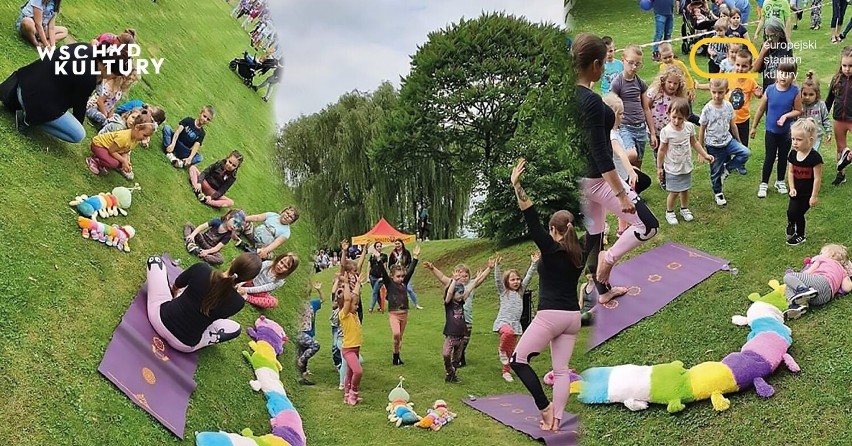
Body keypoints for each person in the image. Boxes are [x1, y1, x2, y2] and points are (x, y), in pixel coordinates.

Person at [575, 34, 659, 304]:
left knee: (595, 234)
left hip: (578, 182)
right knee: (647, 225)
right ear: (598, 64)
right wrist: (622, 196)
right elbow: (602, 156)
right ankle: (606, 263)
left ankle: (602, 291)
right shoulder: (589, 102)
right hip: (597, 181)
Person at [508, 158, 583, 432]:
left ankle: (545, 407)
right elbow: (597, 237)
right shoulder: (579, 252)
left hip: (551, 315)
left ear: (554, 231)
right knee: (561, 370)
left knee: (518, 359)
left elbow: (530, 217)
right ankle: (557, 420)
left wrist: (517, 186)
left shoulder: (552, 251)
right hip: (572, 318)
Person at [1, 43, 126, 143]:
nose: (111, 78)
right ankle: (26, 118)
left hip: (21, 82)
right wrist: (77, 124)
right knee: (78, 134)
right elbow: (79, 108)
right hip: (31, 98)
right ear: (105, 66)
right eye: (113, 75)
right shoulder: (88, 77)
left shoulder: (85, 48)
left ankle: (24, 110)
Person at [144, 253, 262, 353]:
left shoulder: (202, 269)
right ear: (248, 280)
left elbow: (176, 285)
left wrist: (175, 294)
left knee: (155, 261)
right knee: (235, 328)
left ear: (233, 260)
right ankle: (210, 336)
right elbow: (217, 316)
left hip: (159, 319)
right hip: (184, 345)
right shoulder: (238, 303)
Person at [603, 93, 653, 236]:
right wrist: (631, 171)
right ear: (611, 116)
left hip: (621, 174)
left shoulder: (613, 132)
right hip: (619, 178)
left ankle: (623, 228)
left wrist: (632, 169)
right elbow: (621, 154)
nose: (623, 117)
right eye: (621, 114)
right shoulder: (612, 136)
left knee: (627, 199)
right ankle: (622, 230)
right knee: (624, 203)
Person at [751, 58, 802, 198]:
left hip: (786, 132)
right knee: (770, 157)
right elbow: (761, 109)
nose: (783, 76)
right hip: (771, 132)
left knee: (783, 157)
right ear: (776, 73)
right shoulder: (770, 90)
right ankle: (764, 184)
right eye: (781, 72)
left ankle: (780, 181)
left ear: (793, 76)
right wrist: (754, 127)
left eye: (788, 73)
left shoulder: (795, 91)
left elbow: (798, 110)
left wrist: (786, 116)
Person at [658, 98, 714, 224]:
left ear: (686, 117)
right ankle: (670, 212)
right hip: (672, 167)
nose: (676, 121)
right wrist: (659, 167)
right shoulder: (666, 131)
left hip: (685, 165)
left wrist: (704, 154)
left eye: (680, 118)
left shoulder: (689, 127)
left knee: (684, 189)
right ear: (668, 114)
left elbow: (694, 142)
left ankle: (684, 208)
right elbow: (661, 150)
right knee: (674, 191)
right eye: (674, 117)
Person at [700, 78, 751, 207]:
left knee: (745, 152)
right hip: (713, 146)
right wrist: (701, 149)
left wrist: (738, 141)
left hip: (728, 141)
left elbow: (732, 125)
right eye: (714, 92)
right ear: (710, 91)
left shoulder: (728, 106)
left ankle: (727, 168)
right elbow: (702, 128)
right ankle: (718, 192)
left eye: (720, 92)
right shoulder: (707, 109)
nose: (717, 96)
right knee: (715, 171)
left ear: (726, 92)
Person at [440, 263, 490, 383]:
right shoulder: (449, 304)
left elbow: (469, 289)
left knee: (457, 359)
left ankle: (452, 375)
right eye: (459, 293)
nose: (461, 295)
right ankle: (449, 371)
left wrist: (477, 279)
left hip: (461, 336)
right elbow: (450, 293)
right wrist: (454, 281)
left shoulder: (462, 302)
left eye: (462, 293)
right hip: (451, 336)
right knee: (446, 354)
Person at [493, 252, 538, 382]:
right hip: (503, 322)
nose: (516, 281)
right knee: (507, 333)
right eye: (512, 279)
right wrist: (497, 266)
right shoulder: (503, 292)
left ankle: (506, 371)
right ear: (507, 281)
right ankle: (501, 350)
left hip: (515, 324)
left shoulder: (520, 292)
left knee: (511, 351)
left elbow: (528, 277)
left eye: (517, 279)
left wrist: (534, 263)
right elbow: (497, 280)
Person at [373, 242, 420, 365]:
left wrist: (415, 258)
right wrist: (378, 258)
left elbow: (411, 270)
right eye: (398, 276)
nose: (401, 278)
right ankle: (396, 355)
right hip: (394, 314)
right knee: (396, 334)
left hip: (404, 313)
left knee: (400, 338)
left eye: (402, 276)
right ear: (392, 277)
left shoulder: (404, 283)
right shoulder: (389, 283)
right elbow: (383, 271)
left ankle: (396, 357)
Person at [611, 44, 657, 169]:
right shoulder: (617, 83)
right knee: (631, 154)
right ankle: (614, 166)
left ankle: (632, 188)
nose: (634, 67)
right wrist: (615, 128)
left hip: (641, 127)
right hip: (625, 126)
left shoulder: (640, 83)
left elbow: (646, 108)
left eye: (638, 64)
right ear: (623, 60)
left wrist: (652, 133)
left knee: (637, 166)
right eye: (630, 62)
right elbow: (613, 107)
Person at [784, 243, 852, 319]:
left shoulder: (821, 259)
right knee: (790, 286)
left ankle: (801, 292)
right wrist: (848, 274)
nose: (819, 255)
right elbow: (847, 288)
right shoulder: (843, 271)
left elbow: (808, 272)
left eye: (821, 253)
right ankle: (800, 305)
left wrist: (795, 276)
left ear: (832, 254)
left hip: (820, 281)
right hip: (825, 297)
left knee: (788, 277)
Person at [86, 109, 156, 179]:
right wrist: (123, 161)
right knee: (114, 163)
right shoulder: (124, 137)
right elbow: (112, 151)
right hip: (98, 145)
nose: (145, 139)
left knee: (120, 164)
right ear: (137, 127)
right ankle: (94, 160)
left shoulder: (136, 140)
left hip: (108, 148)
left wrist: (126, 162)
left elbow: (125, 151)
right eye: (145, 135)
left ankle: (101, 162)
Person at [785, 119, 824, 246]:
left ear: (810, 139)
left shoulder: (814, 158)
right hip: (796, 190)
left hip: (807, 193)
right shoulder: (792, 154)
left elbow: (817, 178)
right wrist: (792, 188)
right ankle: (791, 223)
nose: (795, 143)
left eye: (799, 140)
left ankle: (800, 235)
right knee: (791, 212)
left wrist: (814, 196)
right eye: (793, 139)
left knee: (799, 213)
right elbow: (790, 172)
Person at [727, 49, 764, 150]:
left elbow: (757, 93)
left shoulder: (750, 81)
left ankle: (740, 165)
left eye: (744, 66)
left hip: (743, 120)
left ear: (750, 67)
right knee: (727, 145)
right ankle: (727, 165)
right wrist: (699, 85)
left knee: (742, 147)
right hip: (728, 119)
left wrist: (759, 94)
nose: (740, 68)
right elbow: (718, 88)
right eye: (738, 65)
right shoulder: (729, 77)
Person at [827, 47, 852, 185]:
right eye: (844, 65)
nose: (847, 69)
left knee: (847, 153)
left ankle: (849, 157)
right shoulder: (836, 79)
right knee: (840, 148)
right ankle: (841, 174)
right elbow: (829, 99)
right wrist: (822, 116)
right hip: (838, 120)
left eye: (850, 66)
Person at [339, 269, 363, 405]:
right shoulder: (344, 315)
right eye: (355, 305)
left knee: (349, 373)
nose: (357, 306)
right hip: (348, 349)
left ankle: (347, 395)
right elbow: (348, 299)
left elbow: (353, 297)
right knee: (358, 371)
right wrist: (346, 284)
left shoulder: (353, 315)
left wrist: (358, 283)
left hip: (356, 348)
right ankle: (353, 393)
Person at [295, 282, 324, 386]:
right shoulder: (295, 304)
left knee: (301, 353)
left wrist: (319, 290)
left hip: (308, 334)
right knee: (315, 345)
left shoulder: (312, 304)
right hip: (299, 333)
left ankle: (300, 378)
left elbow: (322, 300)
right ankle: (300, 361)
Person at [753, 18, 794, 90]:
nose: (769, 39)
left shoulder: (786, 49)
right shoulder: (765, 47)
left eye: (772, 36)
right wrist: (762, 52)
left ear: (779, 34)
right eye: (767, 36)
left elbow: (790, 73)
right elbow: (755, 69)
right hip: (767, 90)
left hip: (781, 89)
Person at [799, 71, 832, 152]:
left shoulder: (821, 105)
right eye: (805, 94)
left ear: (817, 94)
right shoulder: (799, 104)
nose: (807, 97)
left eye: (811, 94)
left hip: (816, 136)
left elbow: (826, 119)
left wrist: (828, 132)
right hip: (801, 135)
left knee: (811, 154)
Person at [388, 239, 423, 310]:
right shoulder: (393, 253)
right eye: (396, 244)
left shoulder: (406, 253)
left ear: (402, 244)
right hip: (396, 274)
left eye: (399, 243)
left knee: (409, 289)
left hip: (404, 273)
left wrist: (415, 257)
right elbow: (390, 264)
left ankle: (416, 304)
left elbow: (410, 263)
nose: (397, 245)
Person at [366, 241, 388, 313]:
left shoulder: (384, 256)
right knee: (377, 292)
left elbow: (385, 267)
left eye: (380, 246)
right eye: (377, 246)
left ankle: (371, 307)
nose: (379, 248)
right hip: (372, 276)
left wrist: (383, 277)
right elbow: (369, 267)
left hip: (380, 278)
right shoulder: (372, 256)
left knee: (374, 292)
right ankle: (381, 306)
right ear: (375, 248)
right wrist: (367, 277)